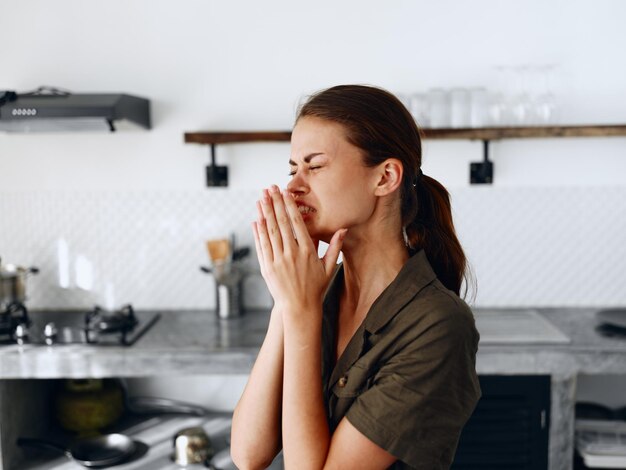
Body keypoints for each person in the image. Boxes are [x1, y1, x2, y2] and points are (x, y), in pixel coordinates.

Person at [231, 84, 481, 470]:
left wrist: (300, 313)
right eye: (292, 169)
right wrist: (286, 302)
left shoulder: (438, 325)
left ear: (384, 177)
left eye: (314, 166)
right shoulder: (317, 289)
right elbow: (249, 454)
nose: (294, 187)